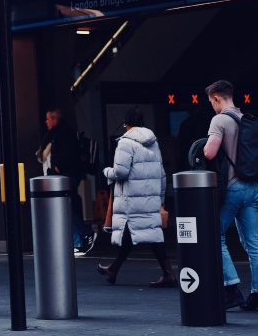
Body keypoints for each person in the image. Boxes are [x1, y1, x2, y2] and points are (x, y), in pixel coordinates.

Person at [202, 79, 258, 311]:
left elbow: (210, 152)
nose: (212, 106)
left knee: (215, 236)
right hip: (254, 188)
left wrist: (202, 146)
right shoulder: (246, 118)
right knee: (254, 243)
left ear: (217, 98)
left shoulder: (220, 120)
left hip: (234, 187)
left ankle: (231, 289)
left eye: (212, 102)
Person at [98, 107, 173, 286]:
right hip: (150, 198)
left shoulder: (125, 143)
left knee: (135, 233)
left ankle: (115, 269)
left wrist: (106, 171)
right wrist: (161, 198)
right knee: (147, 234)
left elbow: (121, 172)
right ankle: (115, 269)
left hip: (132, 200)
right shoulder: (153, 142)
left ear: (126, 124)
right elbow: (161, 173)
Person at [38, 109, 93, 253]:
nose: (46, 122)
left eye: (48, 119)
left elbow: (70, 153)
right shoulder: (58, 133)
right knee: (70, 205)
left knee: (66, 207)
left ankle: (84, 234)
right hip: (65, 175)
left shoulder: (63, 133)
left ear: (55, 120)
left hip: (67, 175)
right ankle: (79, 240)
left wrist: (57, 167)